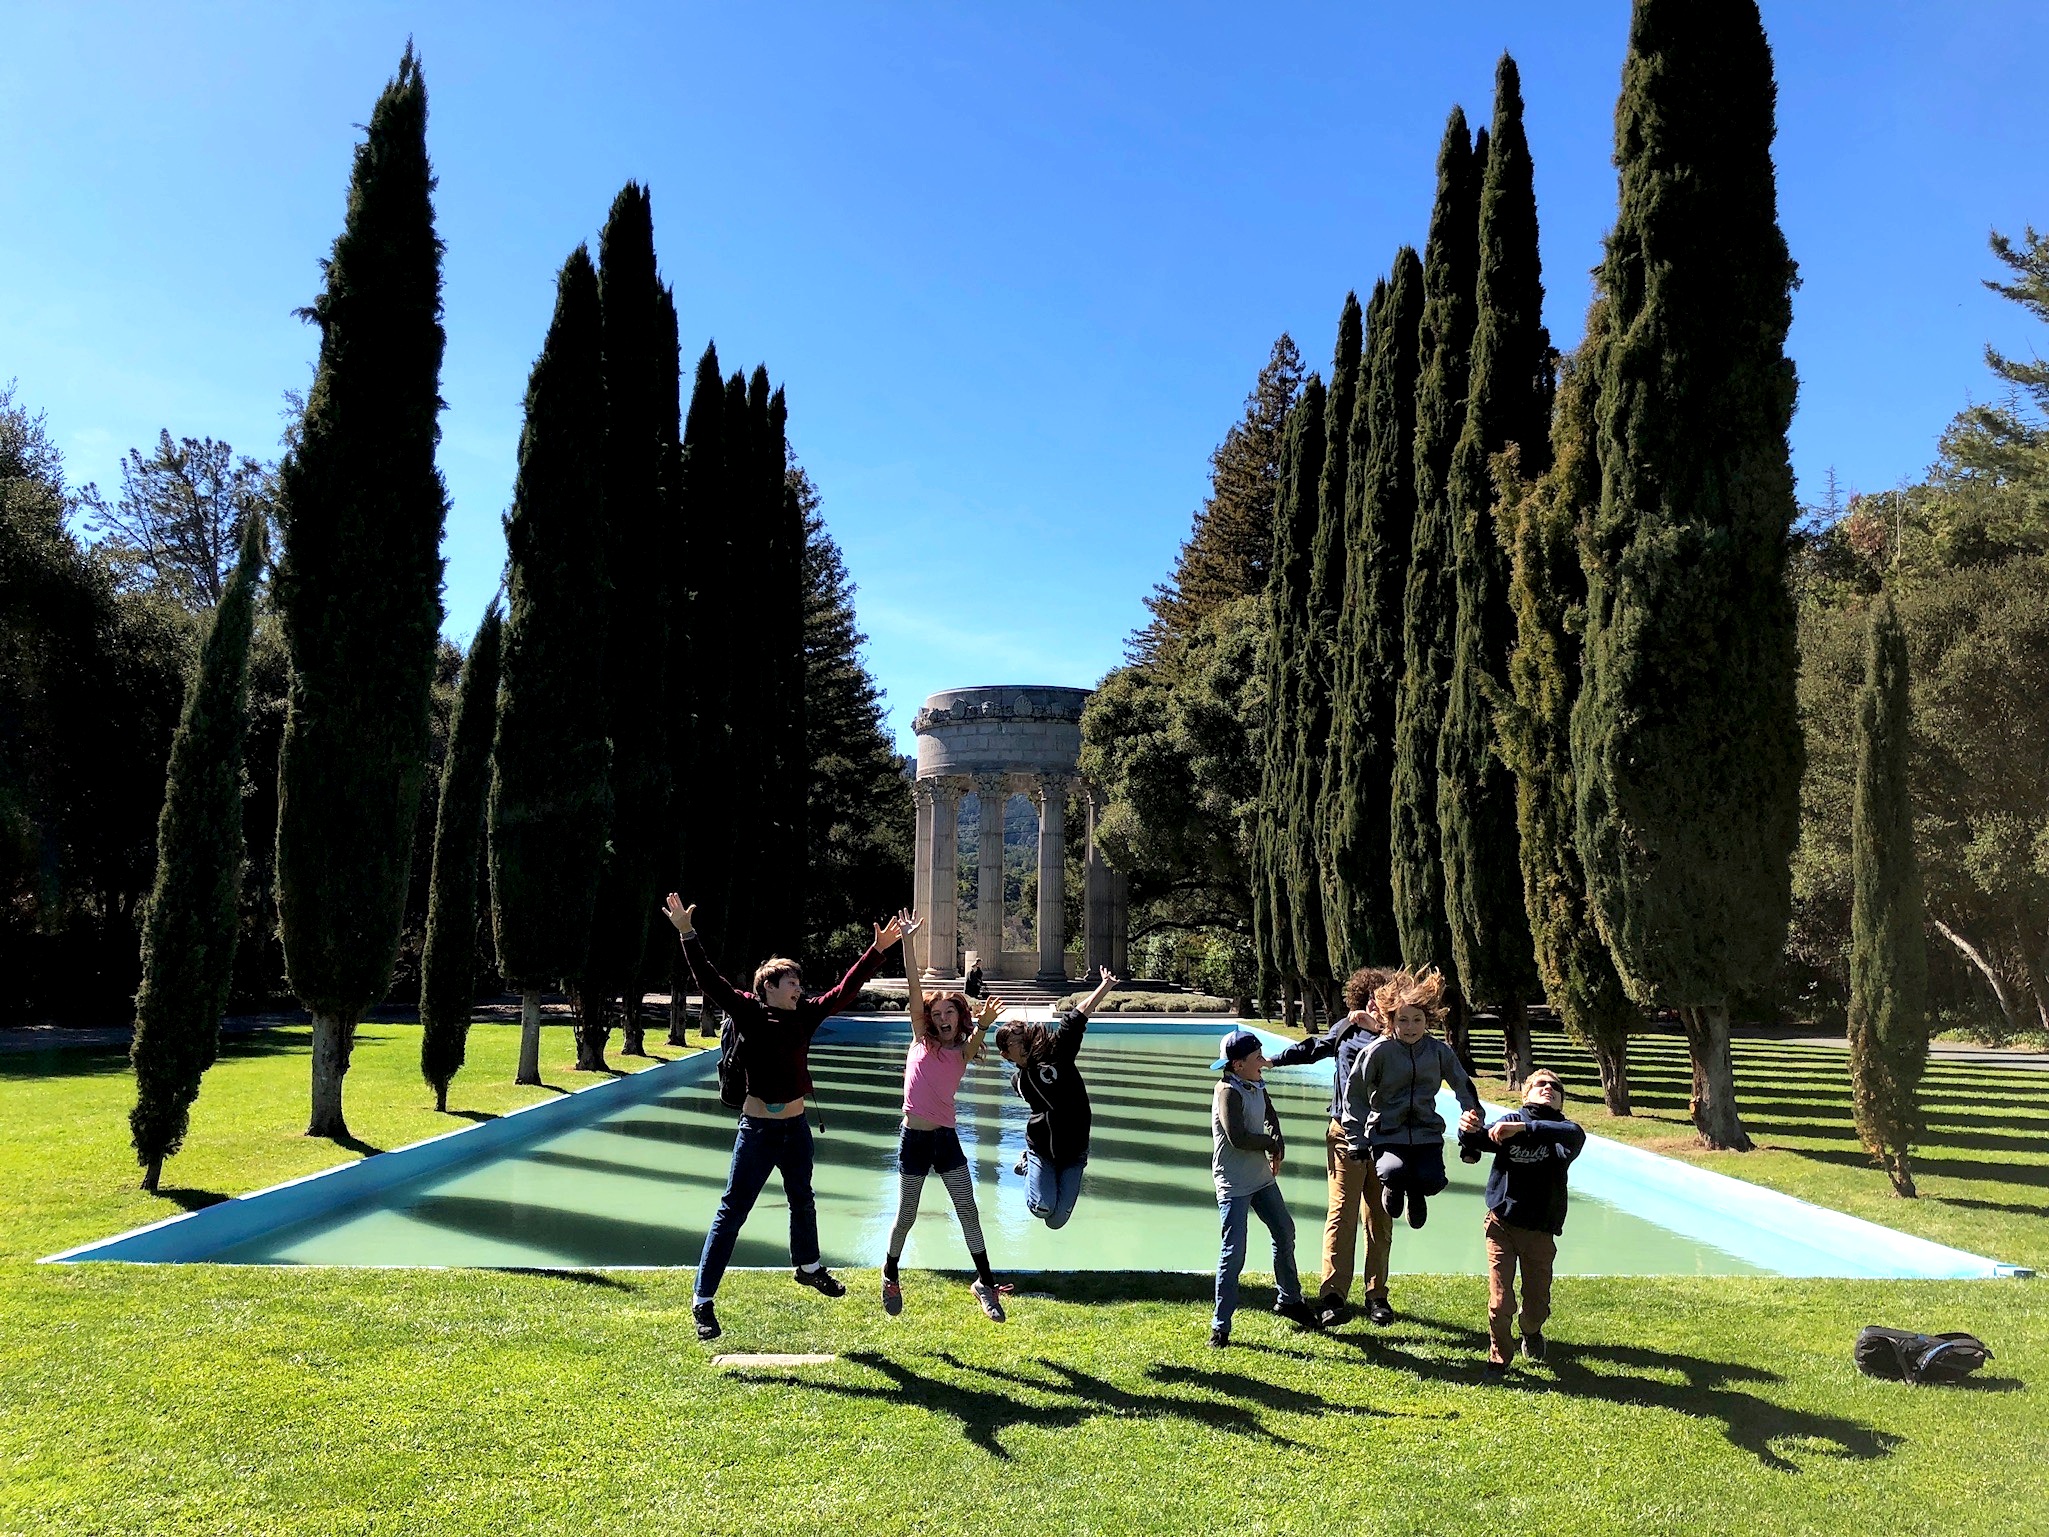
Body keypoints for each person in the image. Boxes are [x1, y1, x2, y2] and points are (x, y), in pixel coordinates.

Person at [663, 893, 913, 1343]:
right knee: (731, 1213)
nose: (800, 988)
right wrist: (687, 932)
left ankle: (809, 1266)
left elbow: (844, 992)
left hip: (795, 1130)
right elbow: (709, 980)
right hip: (757, 1131)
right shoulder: (749, 1011)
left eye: (800, 982)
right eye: (792, 983)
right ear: (769, 987)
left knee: (803, 1198)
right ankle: (703, 1301)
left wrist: (876, 951)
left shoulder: (807, 1016)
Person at [885, 917, 1009, 1322]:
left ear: (958, 1015)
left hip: (946, 1140)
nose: (941, 1017)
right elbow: (913, 983)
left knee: (967, 1210)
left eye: (948, 1012)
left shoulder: (963, 1051)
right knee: (906, 1214)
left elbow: (978, 1038)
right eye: (935, 1012)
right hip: (914, 1141)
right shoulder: (920, 1036)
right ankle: (890, 1273)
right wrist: (907, 942)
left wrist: (986, 1023)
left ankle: (985, 1283)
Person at [1268, 967, 1393, 1326]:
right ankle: (1333, 1296)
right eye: (1372, 996)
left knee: (1379, 1217)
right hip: (1344, 1133)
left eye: (1383, 998)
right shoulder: (1345, 1030)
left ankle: (1377, 1296)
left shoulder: (1399, 1035)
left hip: (1385, 1139)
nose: (1375, 1003)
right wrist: (1276, 1059)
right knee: (1341, 1212)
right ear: (1363, 998)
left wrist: (1381, 1030)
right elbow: (1313, 1049)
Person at [1458, 1067, 1585, 1378]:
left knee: (1537, 1306)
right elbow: (1476, 1140)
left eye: (1554, 1087)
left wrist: (1526, 1130)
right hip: (1502, 1226)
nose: (1547, 1088)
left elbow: (1574, 1135)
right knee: (1501, 1302)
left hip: (1540, 1231)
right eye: (1540, 1084)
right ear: (1525, 1093)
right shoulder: (1508, 1123)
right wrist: (1467, 1128)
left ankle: (1530, 1331)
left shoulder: (1564, 1133)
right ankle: (1499, 1355)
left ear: (1560, 1100)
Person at [1340, 967, 1481, 1233]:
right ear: (1390, 1020)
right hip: (1387, 1132)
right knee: (1393, 1172)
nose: (1410, 1027)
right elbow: (1355, 1094)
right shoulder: (1377, 1052)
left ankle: (1416, 1195)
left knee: (1434, 1181)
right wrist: (1356, 1141)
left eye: (1417, 1020)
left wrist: (1471, 1132)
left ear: (1427, 1020)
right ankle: (1393, 1188)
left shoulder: (1438, 1052)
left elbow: (1464, 1088)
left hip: (1426, 1131)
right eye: (1403, 1020)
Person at [1208, 1028, 1319, 1347]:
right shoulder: (1227, 1090)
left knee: (1284, 1231)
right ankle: (1221, 1325)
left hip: (1260, 1178)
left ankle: (1289, 1300)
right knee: (1234, 1254)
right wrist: (1269, 1142)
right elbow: (1237, 1137)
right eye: (1258, 1057)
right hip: (1233, 1182)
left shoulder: (1255, 1082)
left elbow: (1269, 1112)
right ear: (1239, 1064)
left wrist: (1278, 1143)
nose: (1264, 1060)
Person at [992, 966, 1120, 1229]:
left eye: (1023, 1035)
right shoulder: (1019, 1081)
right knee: (1042, 1208)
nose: (1023, 1040)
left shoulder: (1057, 1052)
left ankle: (1051, 1180)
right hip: (1043, 1150)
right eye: (1016, 1040)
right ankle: (1029, 1163)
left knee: (1056, 1221)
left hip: (1074, 1152)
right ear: (1006, 1054)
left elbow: (1076, 1017)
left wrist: (1104, 986)